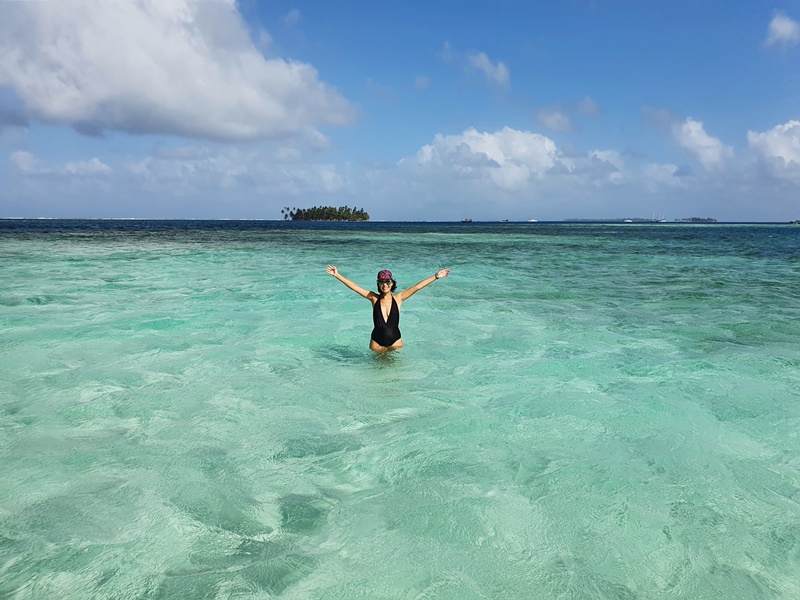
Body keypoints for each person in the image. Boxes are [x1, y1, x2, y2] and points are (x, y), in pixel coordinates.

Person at [326, 266, 451, 352]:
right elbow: (354, 287)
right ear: (378, 284)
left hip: (395, 341)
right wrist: (337, 275)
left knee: (396, 375)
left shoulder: (399, 298)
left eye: (387, 281)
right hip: (376, 342)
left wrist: (436, 276)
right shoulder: (373, 298)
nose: (384, 285)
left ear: (391, 283)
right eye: (381, 282)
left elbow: (417, 287)